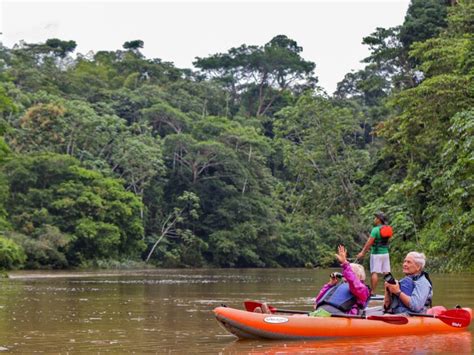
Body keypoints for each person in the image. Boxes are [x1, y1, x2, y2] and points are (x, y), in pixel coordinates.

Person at [313, 245, 370, 315]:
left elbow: (353, 282)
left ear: (359, 276)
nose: (344, 273)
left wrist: (345, 264)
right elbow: (317, 301)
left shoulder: (362, 289)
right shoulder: (339, 286)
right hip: (322, 310)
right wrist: (329, 285)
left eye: (349, 271)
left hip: (340, 315)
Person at [357, 211, 391, 295]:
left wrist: (362, 253)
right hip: (385, 253)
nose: (374, 219)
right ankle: (390, 291)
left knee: (374, 272)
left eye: (375, 218)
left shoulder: (375, 230)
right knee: (387, 273)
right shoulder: (388, 228)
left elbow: (369, 242)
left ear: (379, 219)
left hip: (376, 254)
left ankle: (372, 292)